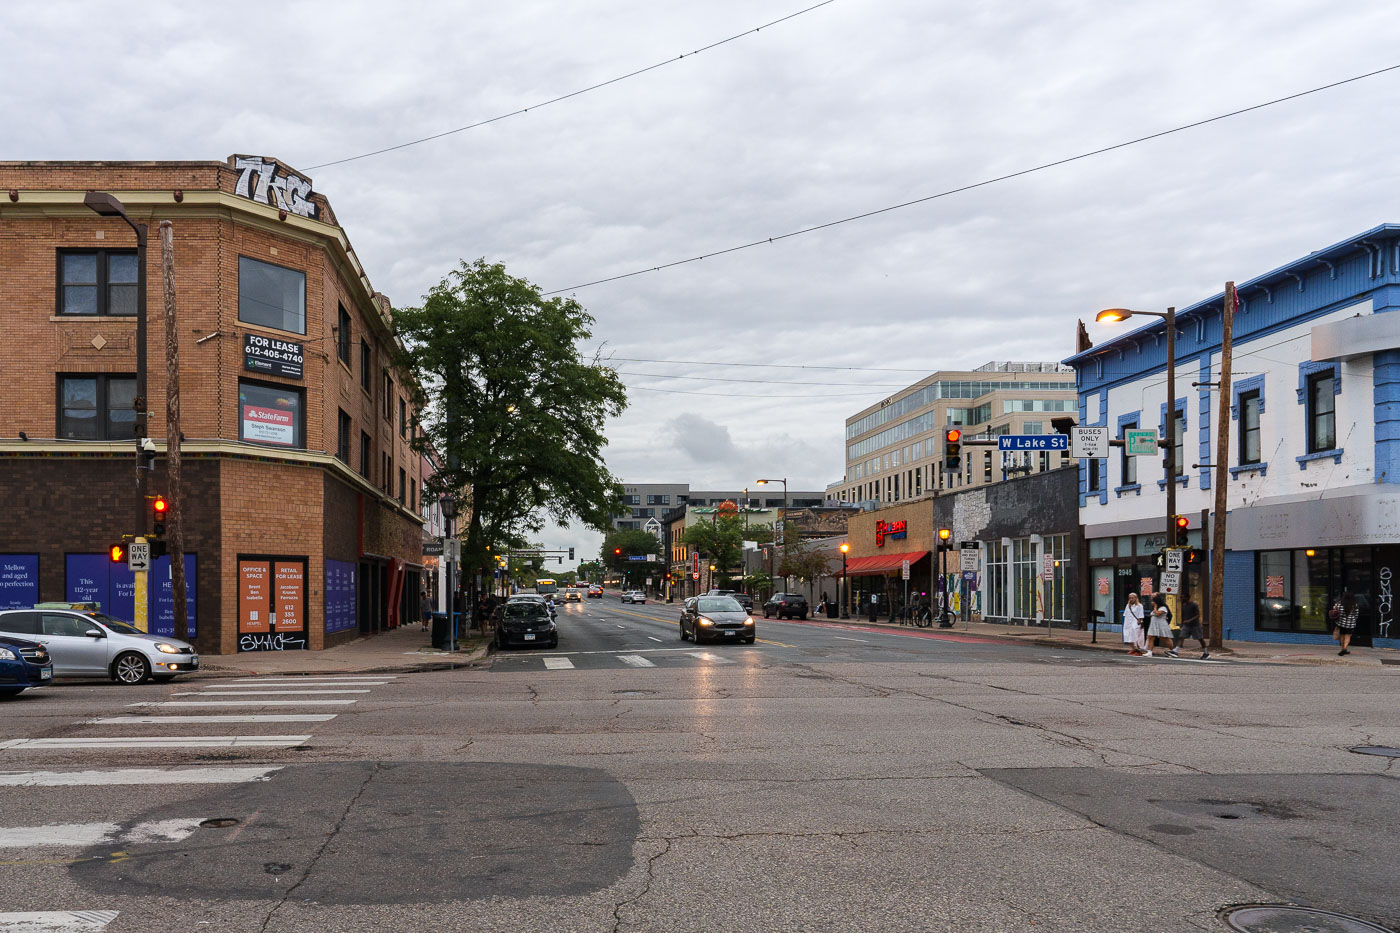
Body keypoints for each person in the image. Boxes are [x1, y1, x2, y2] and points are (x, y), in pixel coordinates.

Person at [1332, 589, 1359, 656]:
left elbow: (1334, 611)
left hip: (1341, 623)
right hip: (1350, 624)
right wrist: (1353, 620)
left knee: (1342, 636)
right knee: (1348, 636)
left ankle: (1343, 649)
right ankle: (1344, 649)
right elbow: (1356, 614)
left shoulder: (1339, 604)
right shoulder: (1354, 605)